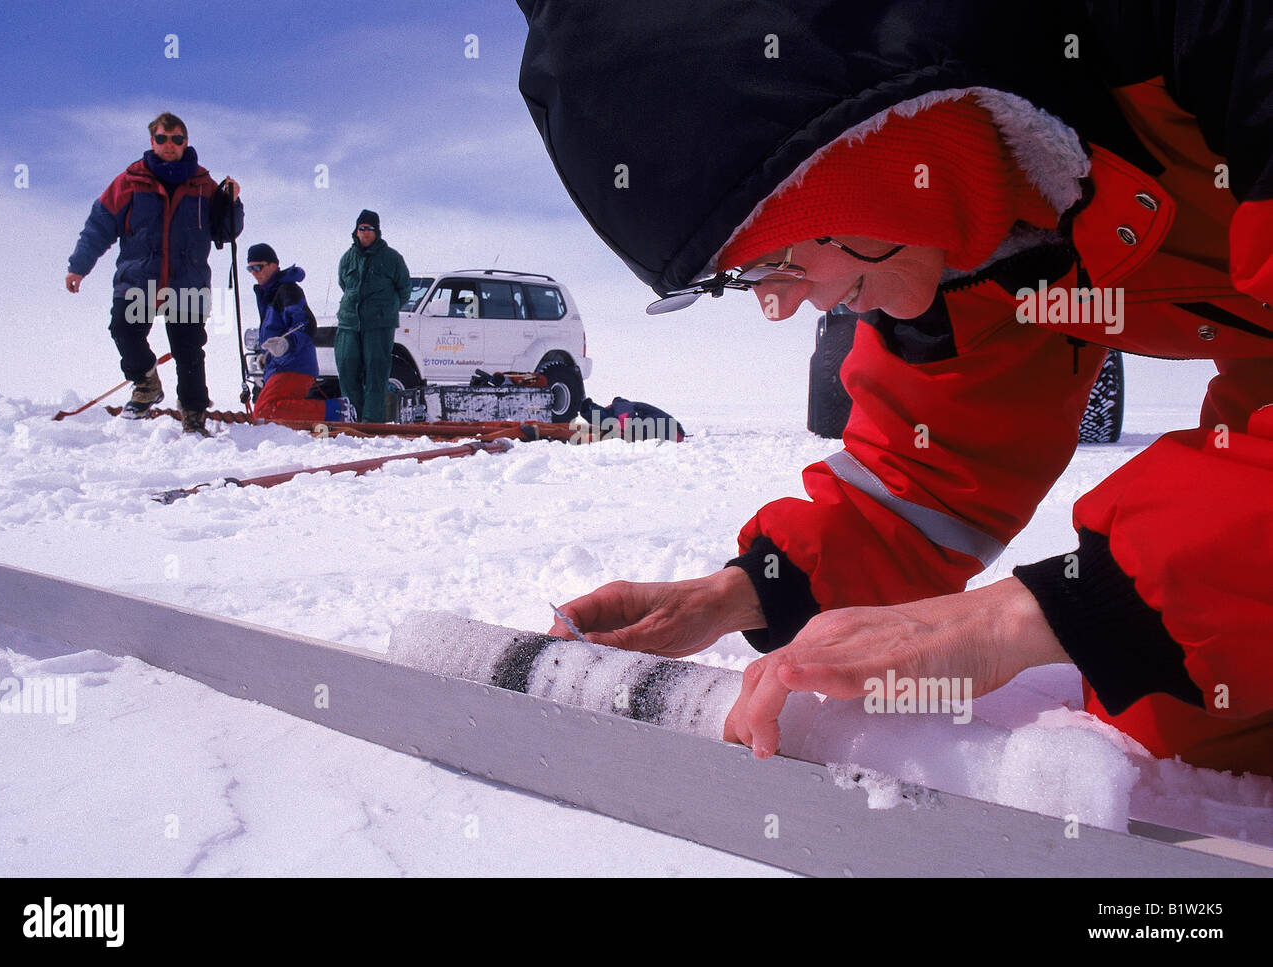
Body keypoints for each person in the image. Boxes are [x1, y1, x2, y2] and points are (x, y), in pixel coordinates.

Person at [522, 2, 1273, 777]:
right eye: (739, 285)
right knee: (1189, 694)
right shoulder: (956, 235)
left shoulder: (1208, 32)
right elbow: (924, 479)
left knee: (1174, 626)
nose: (777, 307)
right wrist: (743, 592)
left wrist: (1015, 620)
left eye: (769, 259)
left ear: (840, 147)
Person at [66, 111, 243, 436]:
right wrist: (78, 266)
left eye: (176, 139)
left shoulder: (204, 186)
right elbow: (99, 226)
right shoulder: (129, 182)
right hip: (139, 281)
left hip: (186, 282)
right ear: (152, 141)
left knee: (188, 352)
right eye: (162, 139)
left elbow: (226, 232)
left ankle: (193, 417)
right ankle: (146, 382)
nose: (169, 145)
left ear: (186, 142)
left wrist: (232, 203)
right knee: (123, 328)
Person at [245, 243, 356, 423]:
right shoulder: (269, 295)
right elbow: (277, 331)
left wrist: (286, 344)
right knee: (268, 410)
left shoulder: (287, 290)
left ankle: (338, 411)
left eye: (258, 267)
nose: (254, 273)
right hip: (279, 366)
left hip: (294, 364)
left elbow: (306, 324)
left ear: (273, 265)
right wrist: (266, 355)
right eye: (250, 268)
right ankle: (311, 422)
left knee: (266, 410)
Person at [335, 209, 410, 423]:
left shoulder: (392, 258)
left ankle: (372, 423)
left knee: (376, 373)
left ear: (377, 232)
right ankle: (353, 419)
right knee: (347, 369)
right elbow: (344, 284)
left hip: (379, 325)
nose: (365, 233)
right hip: (349, 323)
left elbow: (404, 289)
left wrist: (385, 309)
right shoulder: (347, 258)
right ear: (356, 231)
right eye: (362, 229)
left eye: (370, 229)